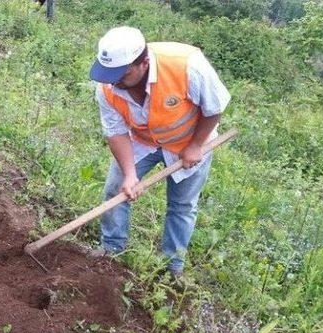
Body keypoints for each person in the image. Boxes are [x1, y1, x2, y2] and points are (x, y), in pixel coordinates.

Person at [89, 26, 230, 276]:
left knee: (182, 204)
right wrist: (130, 175)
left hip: (188, 141)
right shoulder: (107, 87)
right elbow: (115, 131)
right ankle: (111, 251)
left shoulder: (186, 65)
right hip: (141, 140)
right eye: (110, 74)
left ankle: (171, 267)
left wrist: (196, 145)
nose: (113, 81)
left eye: (121, 74)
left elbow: (214, 106)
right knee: (116, 189)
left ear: (143, 63)